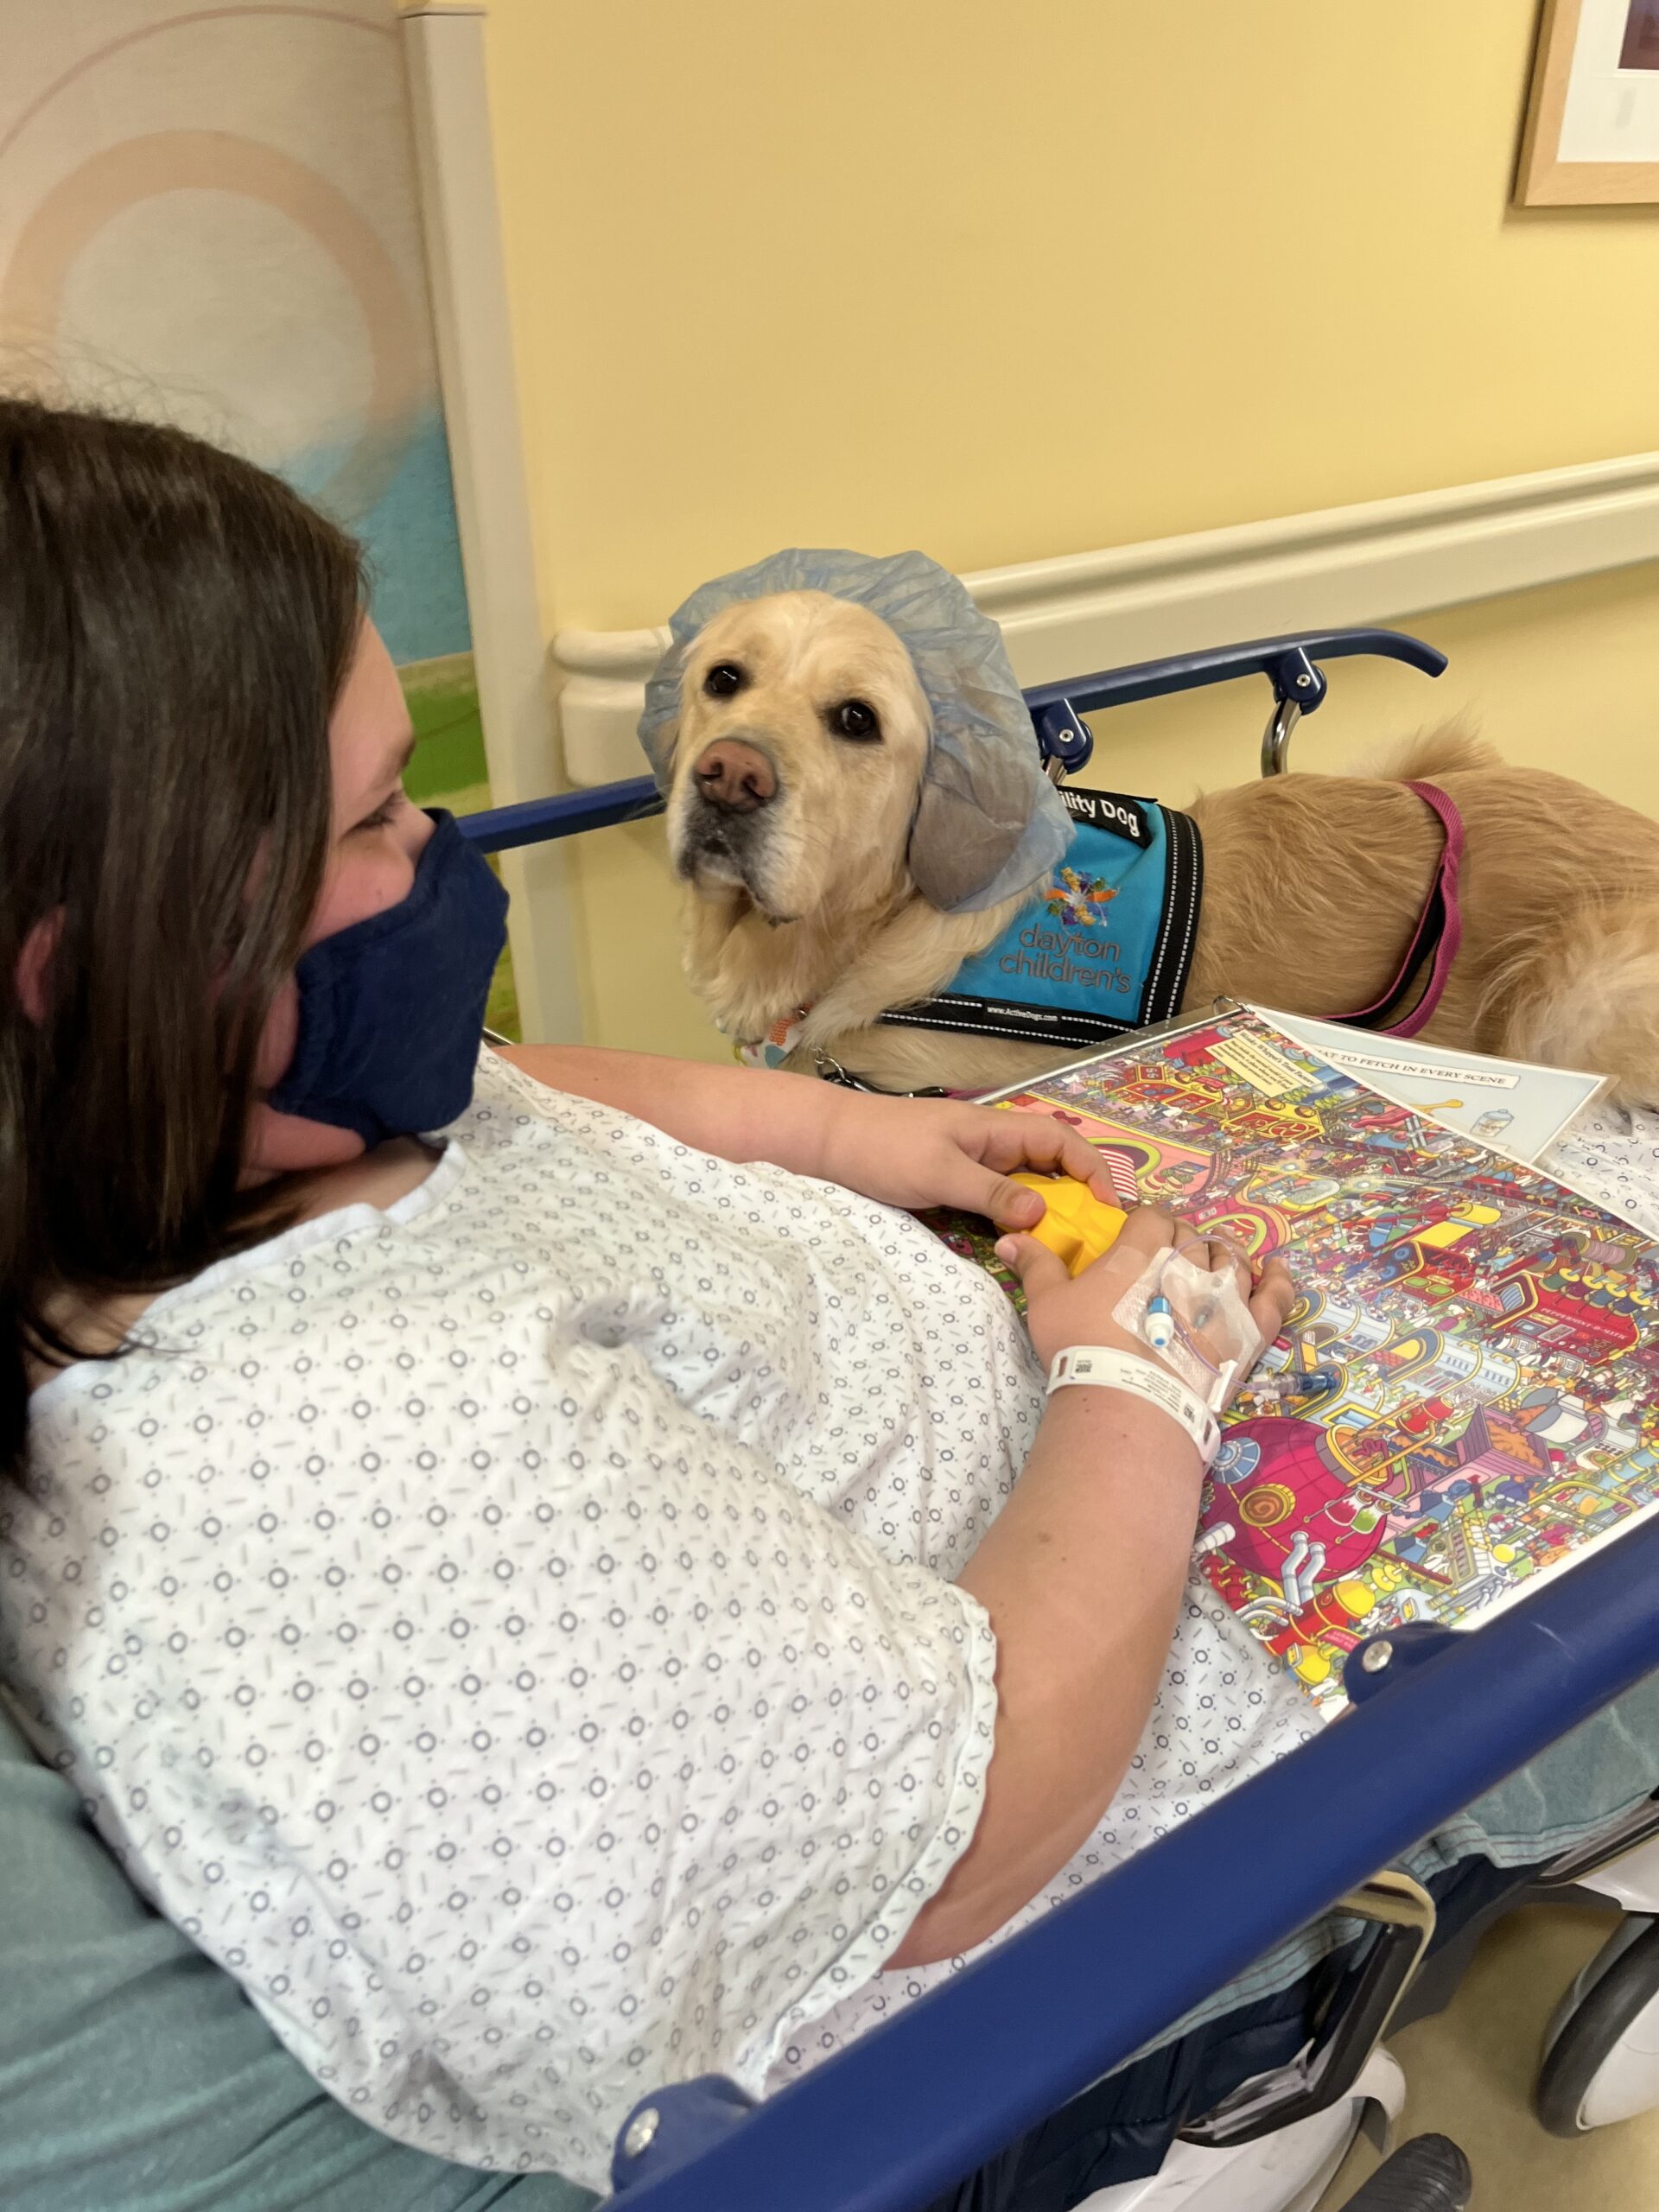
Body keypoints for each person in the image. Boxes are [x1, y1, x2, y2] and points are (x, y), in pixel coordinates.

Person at [1, 400, 1654, 2210]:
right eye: (387, 811)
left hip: (1055, 1412)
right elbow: (966, 1828)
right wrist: (1147, 1373)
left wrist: (872, 1131)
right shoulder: (358, 1471)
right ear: (105, 972)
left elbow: (526, 1083)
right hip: (1084, 1768)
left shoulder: (243, 1138)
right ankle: (1348, 2011)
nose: (447, 847)